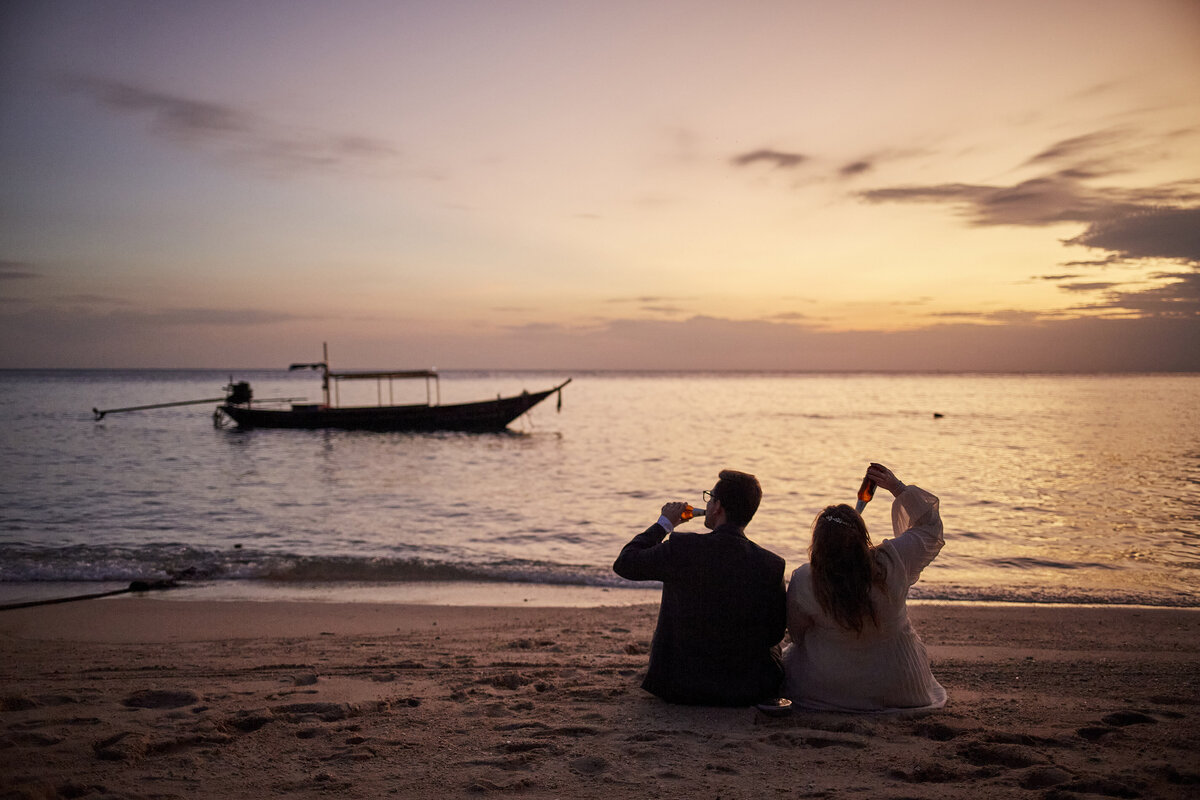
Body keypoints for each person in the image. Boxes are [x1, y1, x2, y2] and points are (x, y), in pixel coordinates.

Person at [613, 470, 786, 706]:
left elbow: (626, 563)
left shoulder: (683, 548)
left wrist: (664, 524)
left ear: (717, 507)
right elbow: (774, 634)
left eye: (711, 497)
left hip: (678, 686)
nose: (708, 502)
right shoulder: (772, 564)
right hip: (744, 691)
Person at [782, 463, 946, 712]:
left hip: (826, 689)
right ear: (862, 537)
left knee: (789, 655)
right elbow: (929, 527)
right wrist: (897, 487)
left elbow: (797, 634)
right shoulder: (894, 560)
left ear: (818, 543)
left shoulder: (805, 578)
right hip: (901, 686)